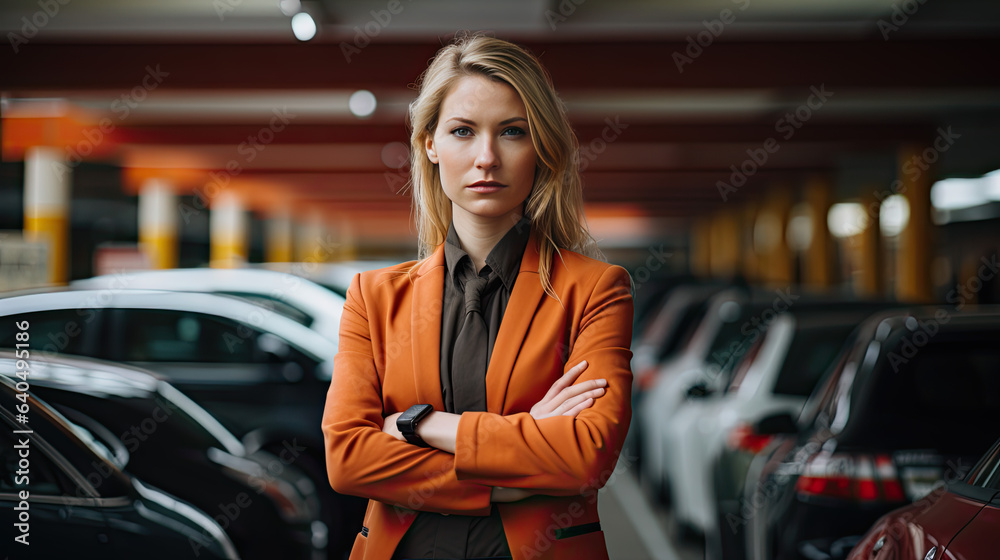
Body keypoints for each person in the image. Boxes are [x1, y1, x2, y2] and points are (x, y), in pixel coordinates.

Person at [322, 33, 634, 560]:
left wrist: (420, 425)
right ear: (430, 144)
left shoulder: (595, 290)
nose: (486, 157)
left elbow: (586, 455)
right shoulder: (372, 297)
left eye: (512, 132)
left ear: (540, 147)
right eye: (462, 131)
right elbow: (348, 458)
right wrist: (514, 461)